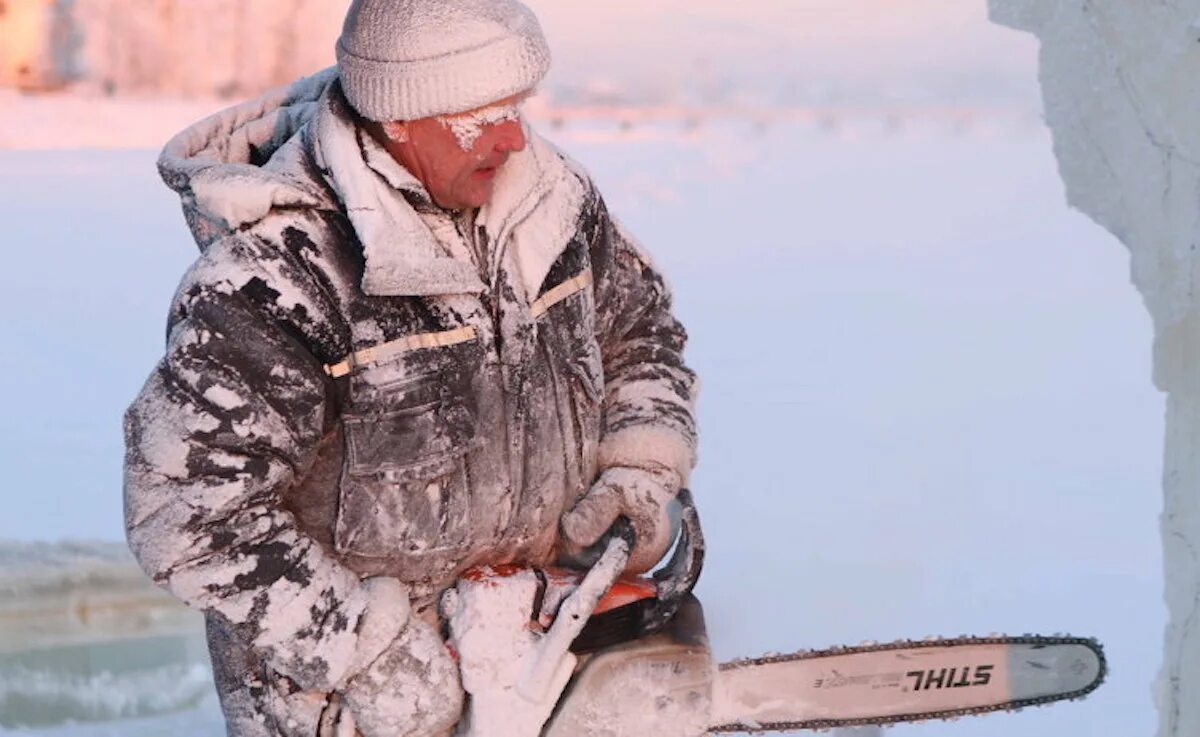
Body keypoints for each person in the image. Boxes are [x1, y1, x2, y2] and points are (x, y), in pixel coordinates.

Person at [123, 0, 698, 735]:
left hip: (535, 648)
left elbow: (640, 334)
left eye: (516, 104)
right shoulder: (280, 280)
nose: (515, 137)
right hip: (347, 705)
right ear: (397, 116)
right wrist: (362, 647)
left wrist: (640, 463)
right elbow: (185, 512)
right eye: (477, 117)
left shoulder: (556, 204)